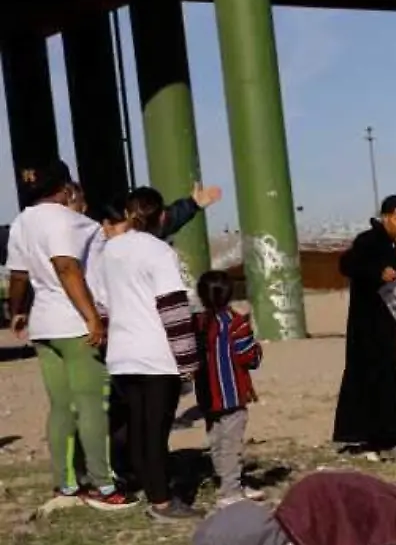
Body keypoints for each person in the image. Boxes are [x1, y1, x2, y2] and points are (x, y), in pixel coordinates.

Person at [5, 161, 135, 510]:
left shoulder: (21, 222)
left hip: (44, 325)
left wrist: (16, 310)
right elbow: (67, 267)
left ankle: (65, 483)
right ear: (64, 188)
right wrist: (92, 317)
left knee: (61, 407)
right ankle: (104, 487)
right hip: (74, 324)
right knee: (93, 405)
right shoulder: (69, 220)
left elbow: (17, 274)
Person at [98, 188, 202, 520]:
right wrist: (188, 360)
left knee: (139, 429)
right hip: (156, 354)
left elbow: (101, 305)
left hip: (122, 354)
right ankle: (162, 502)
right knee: (156, 432)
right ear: (161, 217)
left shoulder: (108, 251)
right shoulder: (159, 252)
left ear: (128, 214)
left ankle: (151, 488)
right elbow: (173, 308)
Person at [333, 196, 396, 459]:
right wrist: (377, 271)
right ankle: (387, 440)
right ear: (387, 217)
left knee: (371, 379)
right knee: (379, 380)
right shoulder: (368, 241)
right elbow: (347, 264)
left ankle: (362, 436)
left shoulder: (388, 244)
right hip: (368, 326)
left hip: (384, 325)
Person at [195, 269, 264, 506]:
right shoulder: (236, 323)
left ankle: (225, 481)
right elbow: (249, 358)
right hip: (232, 394)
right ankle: (230, 492)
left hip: (206, 393)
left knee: (216, 439)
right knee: (231, 444)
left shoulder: (199, 322)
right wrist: (257, 349)